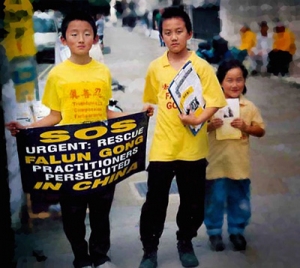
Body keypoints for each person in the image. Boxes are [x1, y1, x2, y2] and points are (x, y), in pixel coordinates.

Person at [6, 11, 153, 268]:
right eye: (74, 34)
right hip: (71, 158)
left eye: (87, 33)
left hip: (100, 157)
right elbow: (55, 116)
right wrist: (28, 128)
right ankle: (81, 258)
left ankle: (100, 257)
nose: (81, 39)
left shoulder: (102, 72)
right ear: (64, 40)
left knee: (100, 212)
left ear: (95, 38)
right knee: (73, 213)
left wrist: (136, 114)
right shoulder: (57, 75)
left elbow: (106, 111)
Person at [138, 7, 227, 268]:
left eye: (179, 31)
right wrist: (148, 108)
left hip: (193, 149)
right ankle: (149, 249)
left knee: (192, 202)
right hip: (163, 149)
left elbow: (216, 101)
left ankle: (185, 241)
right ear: (161, 36)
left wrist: (199, 119)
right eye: (168, 33)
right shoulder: (156, 68)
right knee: (155, 201)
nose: (174, 37)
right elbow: (151, 98)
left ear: (189, 33)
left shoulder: (201, 67)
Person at [204, 59, 265, 252]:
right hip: (215, 166)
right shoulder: (211, 106)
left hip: (239, 166)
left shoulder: (249, 107)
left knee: (240, 200)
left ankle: (236, 231)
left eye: (239, 79)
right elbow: (195, 129)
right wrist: (210, 126)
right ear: (220, 82)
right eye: (229, 80)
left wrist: (247, 127)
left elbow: (260, 130)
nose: (234, 84)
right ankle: (214, 232)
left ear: (245, 82)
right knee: (214, 200)